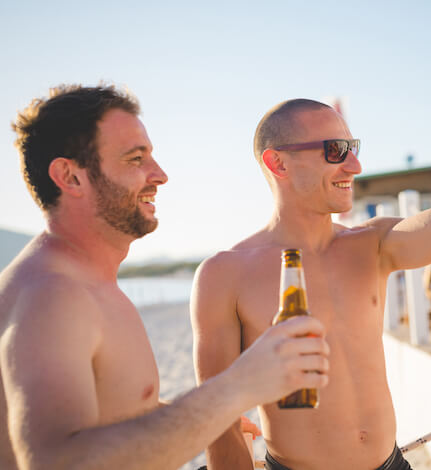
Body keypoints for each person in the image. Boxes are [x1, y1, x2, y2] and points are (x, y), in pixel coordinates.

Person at [191, 63, 431, 470]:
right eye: (336, 151)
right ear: (278, 163)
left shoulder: (371, 243)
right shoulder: (224, 275)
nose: (355, 166)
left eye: (354, 148)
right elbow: (218, 420)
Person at [0, 84, 330, 470]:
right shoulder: (53, 295)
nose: (160, 175)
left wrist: (192, 417)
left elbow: (107, 408)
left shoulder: (81, 281)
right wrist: (237, 387)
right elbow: (56, 462)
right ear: (71, 177)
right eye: (135, 159)